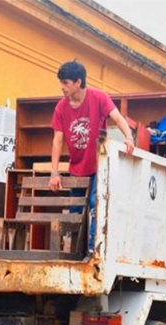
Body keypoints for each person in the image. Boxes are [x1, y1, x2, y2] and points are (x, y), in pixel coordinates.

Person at [48, 61, 135, 253]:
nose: (62, 87)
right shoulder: (61, 107)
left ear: (78, 82)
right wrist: (54, 173)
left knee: (96, 205)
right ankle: (74, 254)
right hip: (76, 168)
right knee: (75, 212)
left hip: (99, 167)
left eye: (65, 82)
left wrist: (129, 137)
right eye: (61, 82)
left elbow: (118, 118)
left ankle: (92, 252)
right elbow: (57, 140)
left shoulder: (99, 97)